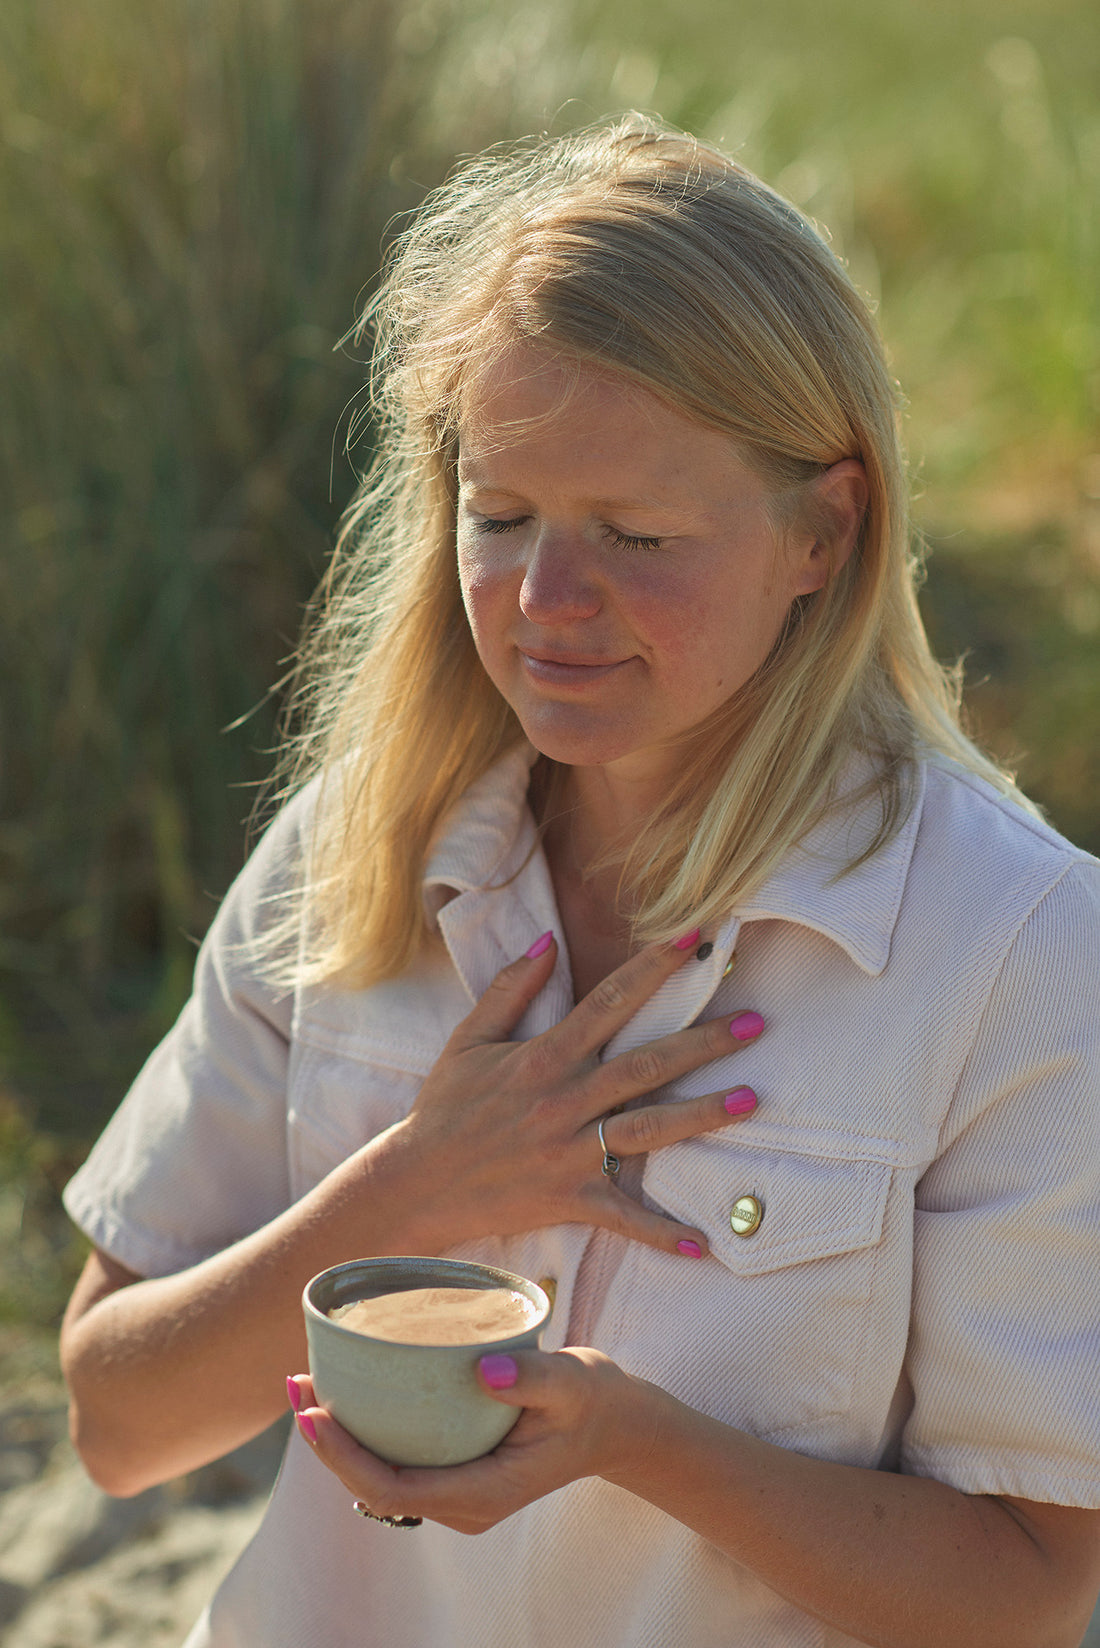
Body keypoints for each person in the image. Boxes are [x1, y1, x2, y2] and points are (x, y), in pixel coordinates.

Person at [60, 115, 1100, 1648]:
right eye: (503, 519)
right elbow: (113, 1420)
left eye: (637, 533)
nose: (548, 602)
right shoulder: (363, 848)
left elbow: (1025, 1593)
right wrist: (412, 1188)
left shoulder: (1015, 948)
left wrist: (641, 1442)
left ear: (828, 529)